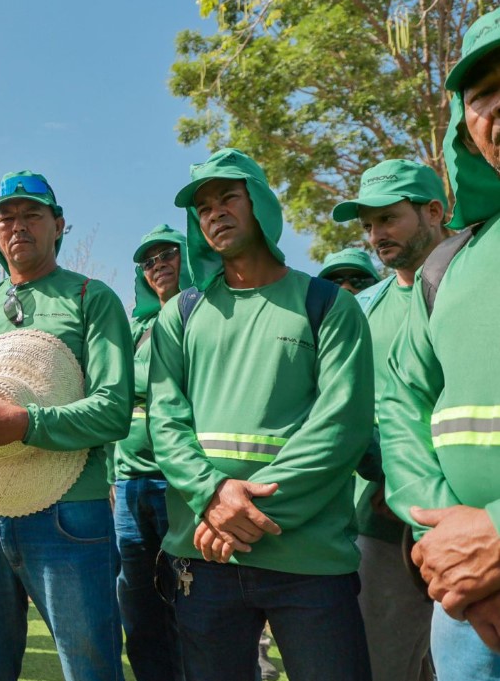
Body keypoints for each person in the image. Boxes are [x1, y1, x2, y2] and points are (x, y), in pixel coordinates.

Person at [148, 149, 373, 681]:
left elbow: (341, 426)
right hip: (204, 560)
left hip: (308, 562)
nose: (214, 214)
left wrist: (239, 516)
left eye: (229, 198)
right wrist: (211, 495)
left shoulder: (327, 305)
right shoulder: (179, 315)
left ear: (262, 206)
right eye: (203, 207)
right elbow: (166, 421)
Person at [0, 171, 134, 680]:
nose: (18, 226)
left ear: (59, 225)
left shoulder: (91, 297)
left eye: (32, 215)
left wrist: (24, 423)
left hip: (70, 513)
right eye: (6, 217)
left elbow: (113, 408)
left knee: (90, 664)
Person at [379, 7, 500, 679]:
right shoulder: (446, 267)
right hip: (464, 603)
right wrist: (448, 539)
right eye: (481, 89)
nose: (498, 101)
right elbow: (400, 404)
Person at [330, 159, 450, 681]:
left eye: (389, 219)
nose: (377, 235)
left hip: (474, 518)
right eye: (369, 224)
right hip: (380, 524)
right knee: (382, 666)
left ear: (433, 211)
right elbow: (342, 406)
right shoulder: (362, 311)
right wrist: (388, 475)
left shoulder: (472, 287)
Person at [114, 224, 190, 681]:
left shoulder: (206, 313)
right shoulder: (137, 329)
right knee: (139, 612)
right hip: (128, 485)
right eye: (148, 260)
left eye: (167, 254)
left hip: (180, 484)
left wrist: (139, 390)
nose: (158, 265)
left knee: (191, 606)